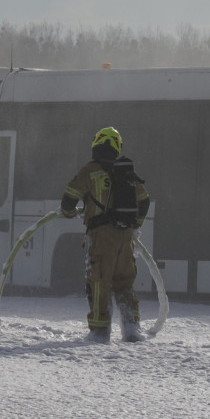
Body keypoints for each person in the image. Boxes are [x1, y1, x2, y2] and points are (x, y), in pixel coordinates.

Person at [60, 127, 152, 343]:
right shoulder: (126, 173)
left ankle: (100, 333)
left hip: (101, 236)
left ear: (96, 145)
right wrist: (135, 225)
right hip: (125, 236)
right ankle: (132, 329)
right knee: (124, 282)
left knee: (99, 281)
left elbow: (68, 199)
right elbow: (144, 200)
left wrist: (70, 213)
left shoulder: (90, 170)